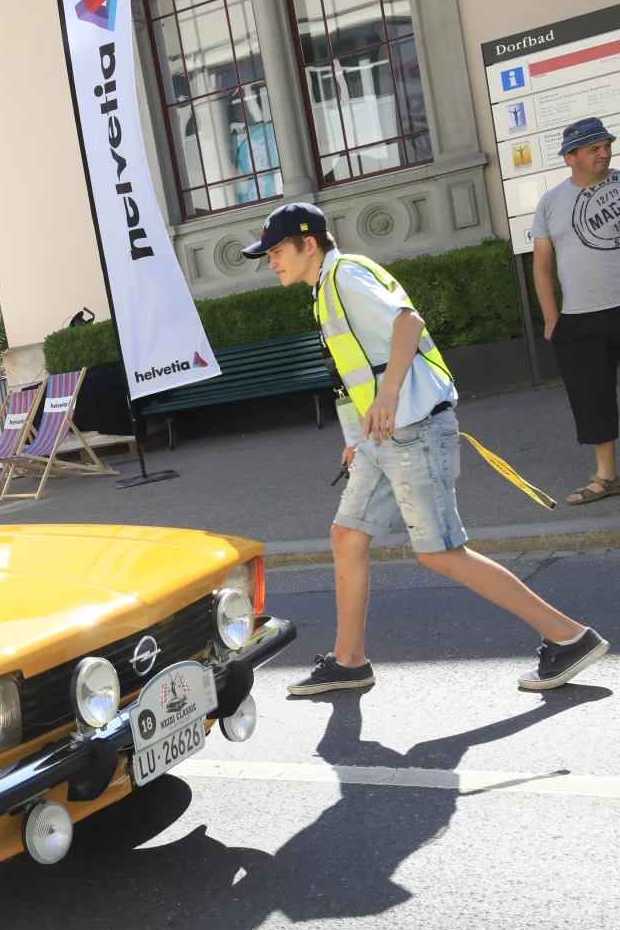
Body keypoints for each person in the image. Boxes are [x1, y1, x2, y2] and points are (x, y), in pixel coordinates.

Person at [243, 202, 608, 693]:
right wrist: (358, 438)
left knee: (441, 554)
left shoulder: (345, 276)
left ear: (309, 244)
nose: (271, 262)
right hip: (384, 437)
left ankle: (570, 638)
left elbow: (408, 324)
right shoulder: (326, 287)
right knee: (347, 537)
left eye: (277, 251)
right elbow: (356, 371)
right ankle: (349, 661)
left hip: (413, 429)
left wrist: (390, 395)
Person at [531, 117, 620, 505]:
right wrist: (552, 320)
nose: (604, 153)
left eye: (607, 146)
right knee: (592, 399)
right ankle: (607, 477)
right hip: (580, 317)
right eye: (593, 148)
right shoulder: (550, 202)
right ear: (570, 157)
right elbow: (541, 266)